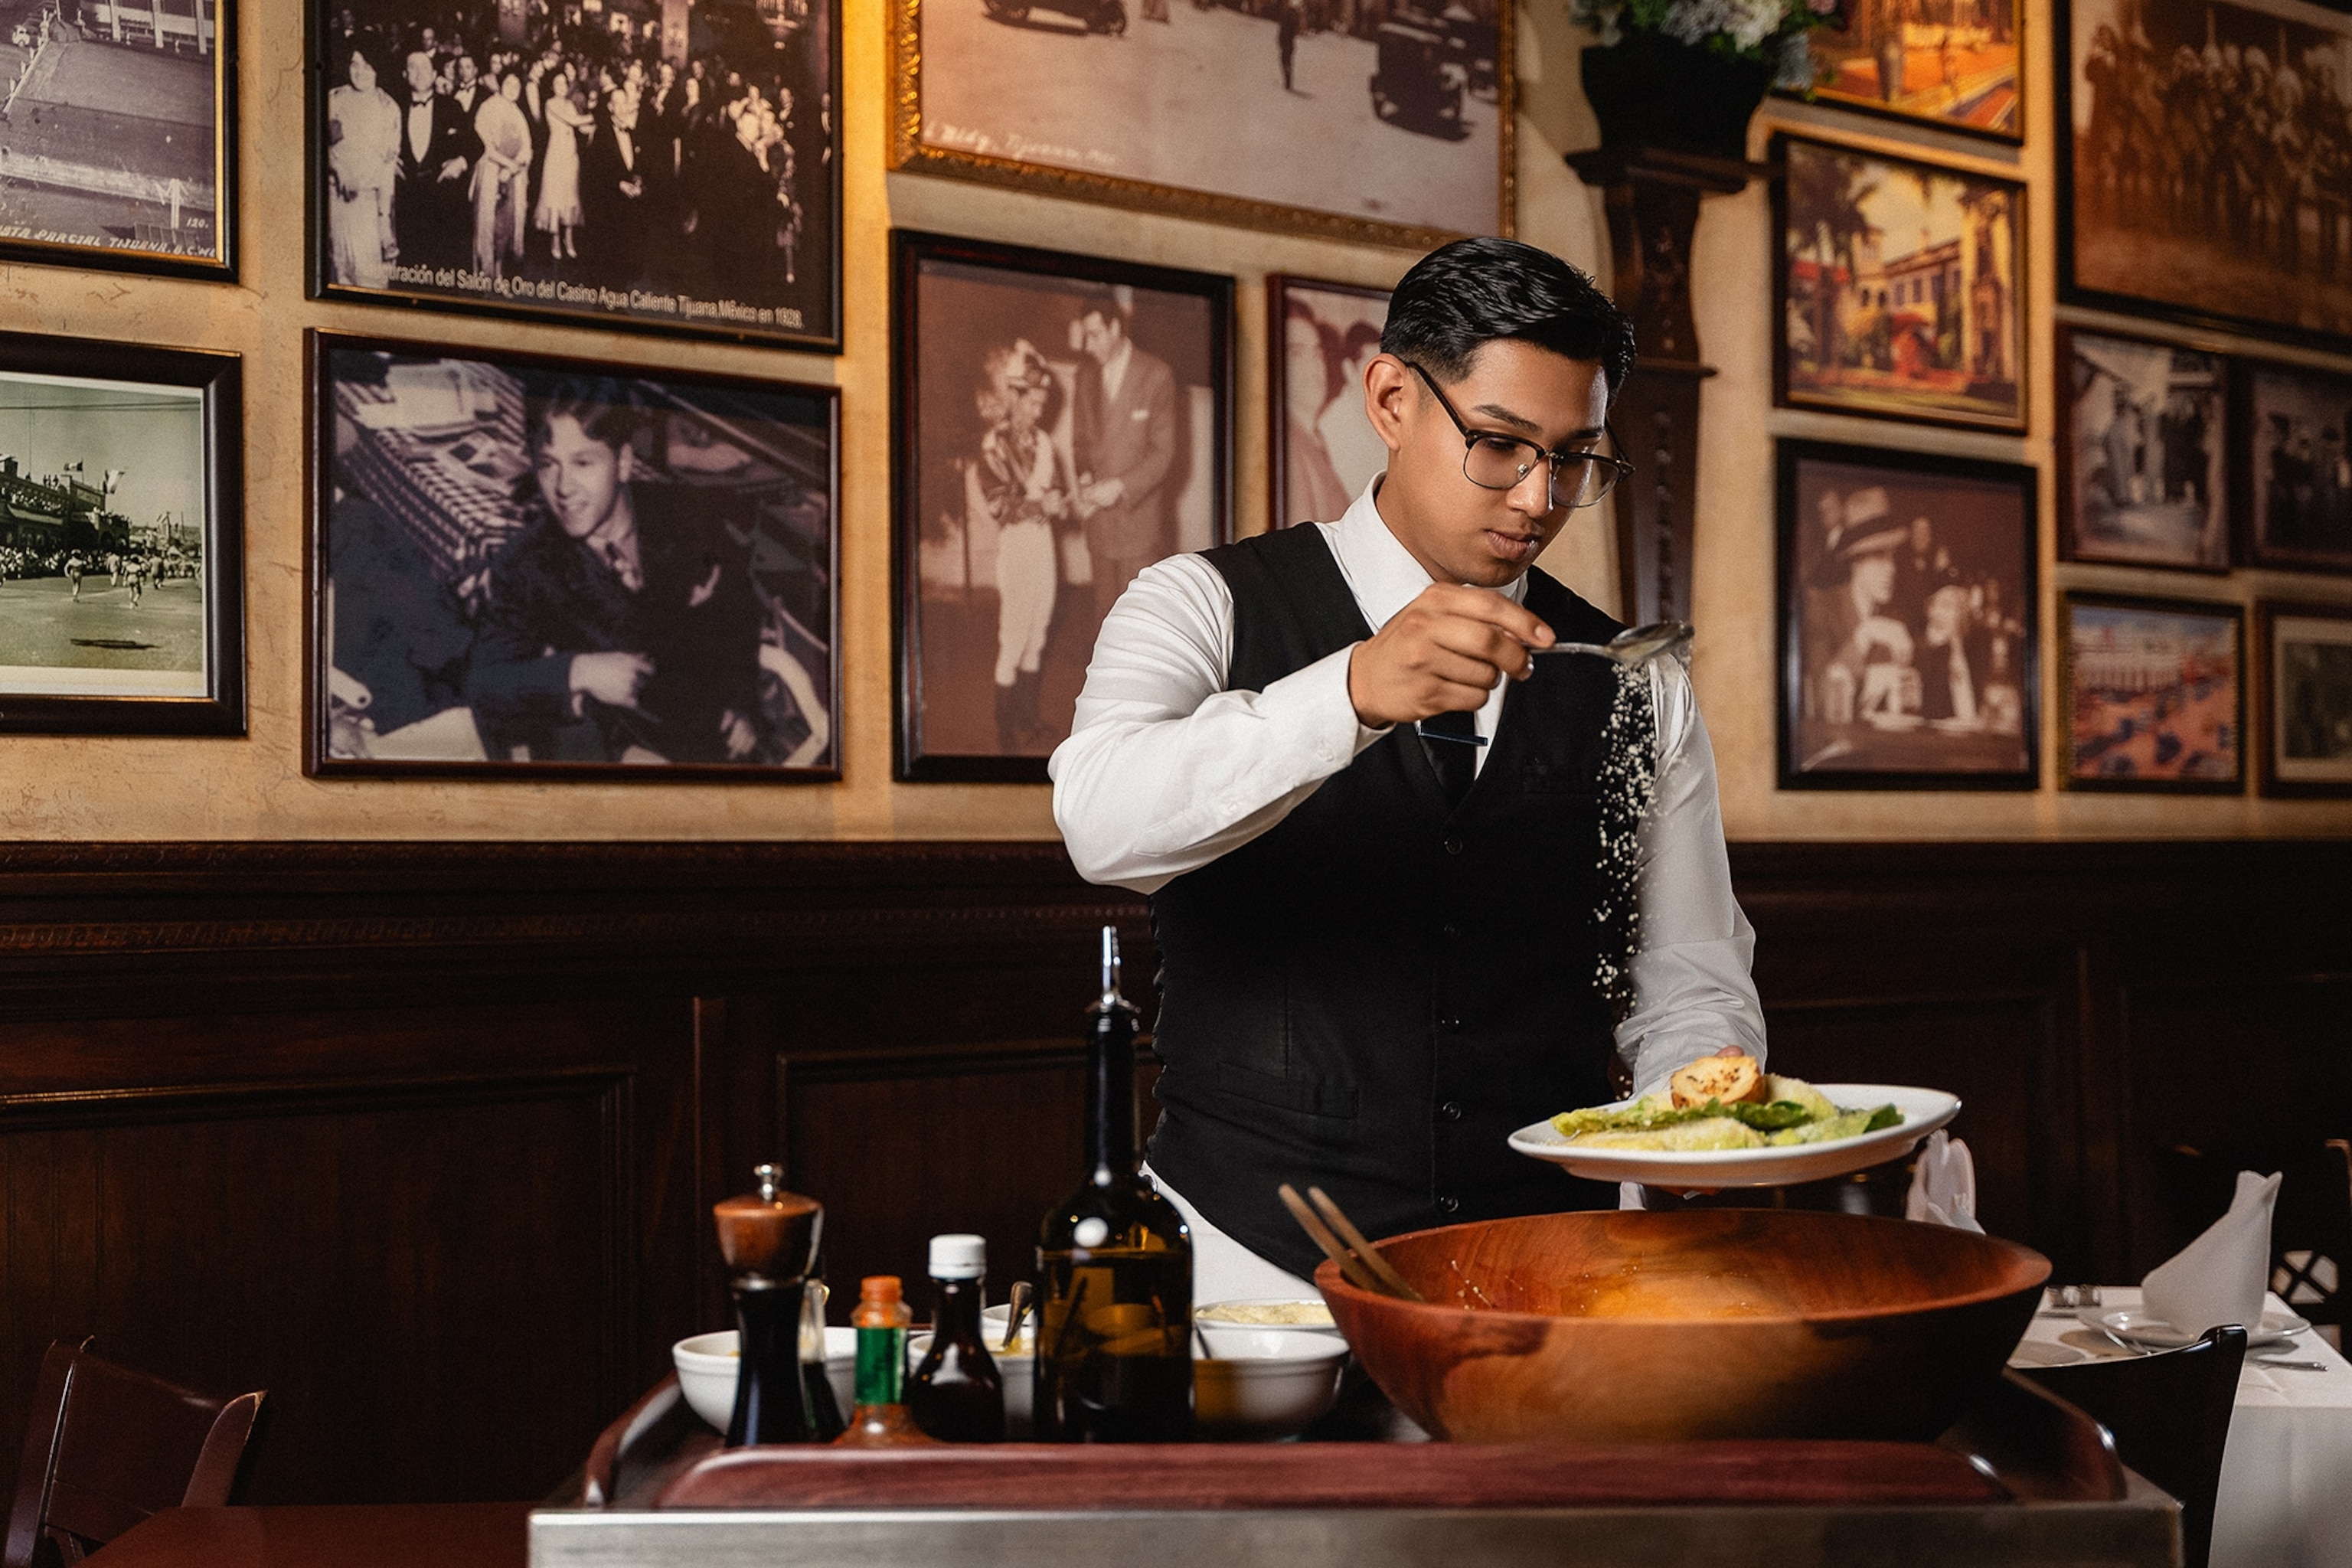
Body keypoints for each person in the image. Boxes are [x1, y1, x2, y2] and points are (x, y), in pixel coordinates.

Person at [1049, 238, 1765, 1300]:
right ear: (1391, 398)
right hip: (1253, 1276)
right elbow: (1100, 823)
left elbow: (1689, 971)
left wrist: (1695, 1129)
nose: (1537, 499)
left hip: (1551, 1271)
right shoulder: (1199, 604)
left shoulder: (1632, 680)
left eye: (1575, 459)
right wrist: (1346, 694)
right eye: (1500, 444)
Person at [469, 378, 766, 765]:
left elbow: (739, 619)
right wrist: (579, 671)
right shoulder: (528, 562)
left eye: (583, 463)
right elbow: (485, 684)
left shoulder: (689, 517)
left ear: (623, 463)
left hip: (712, 738)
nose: (563, 489)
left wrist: (741, 705)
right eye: (548, 466)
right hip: (619, 746)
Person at [969, 341, 1078, 753]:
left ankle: (1029, 718)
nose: (1039, 411)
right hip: (1015, 547)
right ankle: (1005, 732)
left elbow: (1053, 500)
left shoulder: (1046, 444)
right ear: (1013, 399)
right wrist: (1039, 503)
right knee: (1013, 636)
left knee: (1039, 629)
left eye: (1043, 403)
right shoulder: (992, 446)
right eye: (1032, 402)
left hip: (1043, 544)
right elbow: (999, 506)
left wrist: (1063, 503)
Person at [1071, 287, 1176, 625]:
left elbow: (1164, 455)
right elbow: (1080, 444)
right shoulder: (1084, 377)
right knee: (1106, 623)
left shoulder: (1156, 375)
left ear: (1116, 328)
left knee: (1140, 626)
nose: (1088, 345)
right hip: (1099, 529)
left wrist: (1118, 487)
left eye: (1095, 334)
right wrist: (1086, 479)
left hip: (1139, 531)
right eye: (1085, 336)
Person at [394, 49, 481, 273]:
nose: (420, 73)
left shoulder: (451, 106)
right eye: (413, 67)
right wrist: (386, 162)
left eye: (425, 67)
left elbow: (476, 144)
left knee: (443, 270)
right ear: (404, 74)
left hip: (444, 205)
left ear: (435, 75)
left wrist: (460, 163)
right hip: (407, 204)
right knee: (410, 270)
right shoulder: (394, 108)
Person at [327, 47, 402, 288]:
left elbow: (387, 172)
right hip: (336, 204)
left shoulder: (389, 108)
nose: (359, 72)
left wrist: (384, 226)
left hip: (369, 209)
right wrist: (338, 168)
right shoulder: (334, 99)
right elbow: (319, 145)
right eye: (354, 64)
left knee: (372, 284)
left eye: (367, 66)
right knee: (340, 277)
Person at [471, 70, 533, 279]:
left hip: (512, 178)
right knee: (488, 225)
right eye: (509, 83)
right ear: (500, 83)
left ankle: (499, 273)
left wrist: (514, 167)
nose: (513, 89)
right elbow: (484, 146)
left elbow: (527, 148)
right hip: (490, 173)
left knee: (507, 227)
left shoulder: (518, 113)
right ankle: (484, 273)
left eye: (517, 86)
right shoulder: (487, 108)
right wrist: (505, 164)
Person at [533, 70, 588, 263]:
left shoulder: (570, 104)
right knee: (555, 196)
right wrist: (596, 116)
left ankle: (569, 240)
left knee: (570, 196)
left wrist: (599, 127)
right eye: (557, 83)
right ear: (552, 86)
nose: (561, 87)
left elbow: (581, 127)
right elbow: (574, 121)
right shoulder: (551, 104)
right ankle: (555, 241)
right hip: (556, 155)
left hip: (570, 155)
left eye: (564, 83)